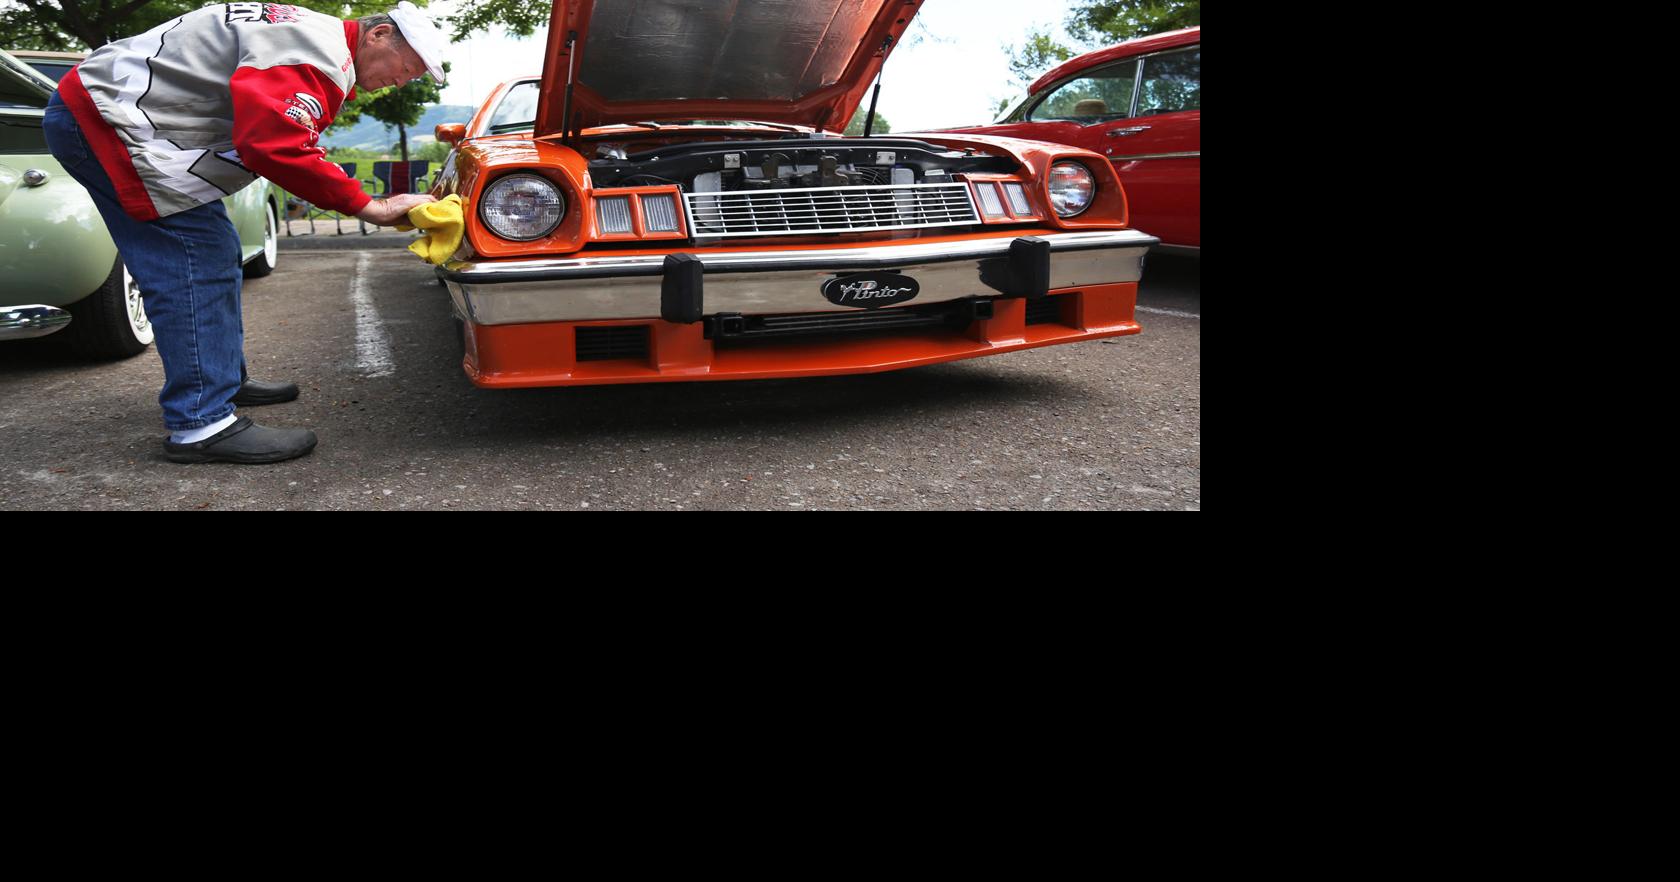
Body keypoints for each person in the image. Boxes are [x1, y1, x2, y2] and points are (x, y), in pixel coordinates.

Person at [42, 2, 444, 464]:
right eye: (406, 69)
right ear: (378, 36)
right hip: (111, 122)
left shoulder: (307, 35)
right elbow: (274, 144)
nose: (400, 83)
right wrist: (372, 205)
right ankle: (201, 422)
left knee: (214, 249)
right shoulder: (316, 55)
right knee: (195, 259)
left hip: (112, 114)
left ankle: (219, 381)